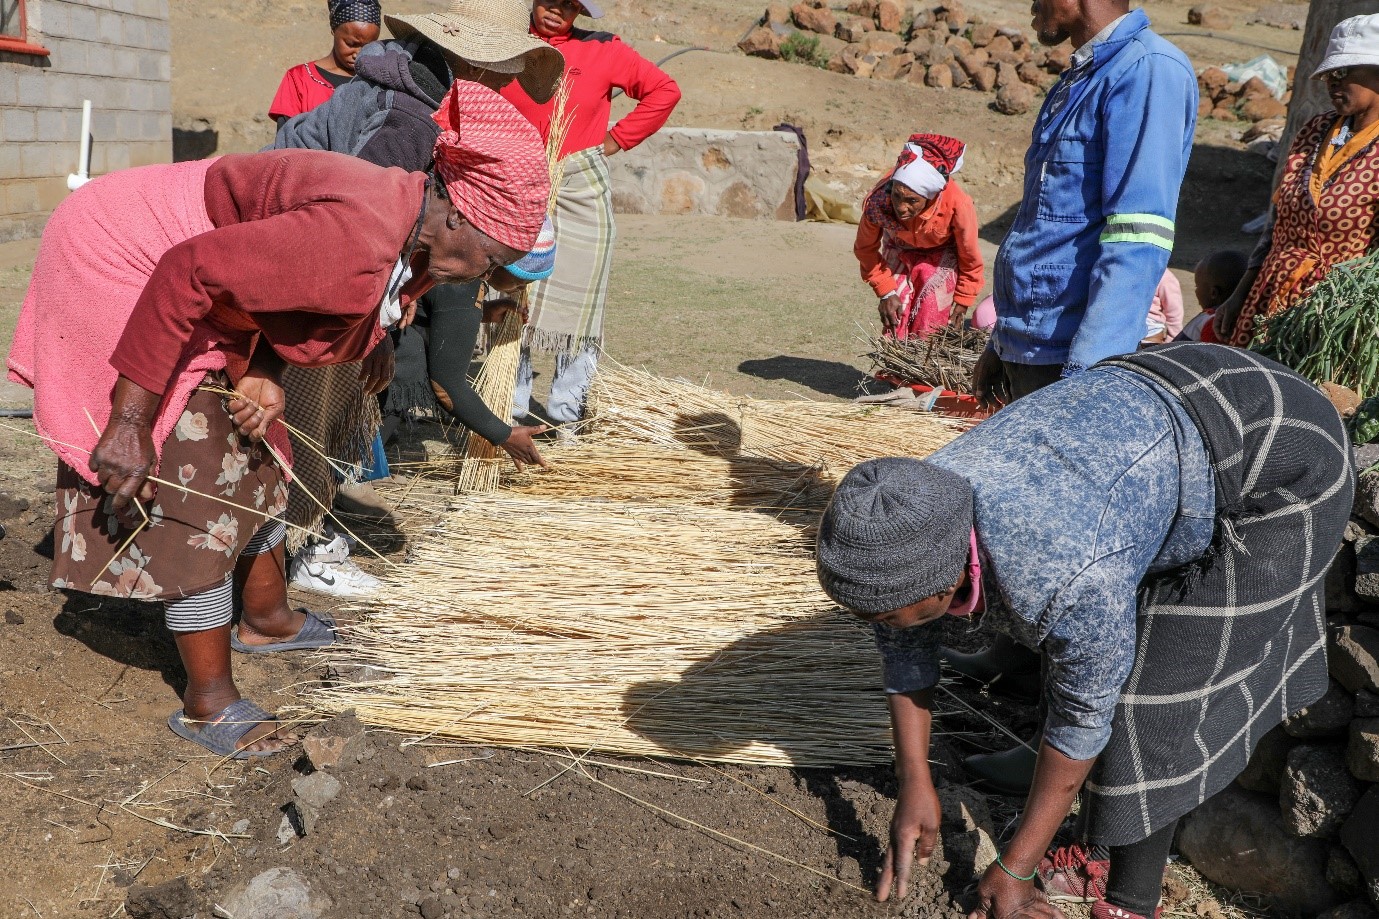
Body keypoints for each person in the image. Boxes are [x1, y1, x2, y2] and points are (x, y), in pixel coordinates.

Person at [5, 83, 551, 759]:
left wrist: (293, 357)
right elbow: (189, 270)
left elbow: (273, 275)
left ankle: (265, 619)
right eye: (489, 259)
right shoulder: (360, 234)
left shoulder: (411, 218)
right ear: (456, 217)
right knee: (195, 476)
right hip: (124, 252)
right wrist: (129, 420)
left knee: (261, 446)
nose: (482, 277)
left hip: (193, 266)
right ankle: (207, 703)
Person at [815, 343, 1352, 919]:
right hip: (1156, 417)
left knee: (1158, 697)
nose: (884, 631)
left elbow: (1081, 719)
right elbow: (903, 646)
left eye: (893, 617)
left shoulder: (1065, 572)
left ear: (945, 582)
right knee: (1103, 651)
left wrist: (1017, 867)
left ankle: (1131, 899)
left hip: (1278, 458)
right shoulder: (918, 510)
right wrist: (913, 780)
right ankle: (1099, 835)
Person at [270, 0, 563, 595]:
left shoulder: (423, 91)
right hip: (302, 265)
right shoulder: (410, 116)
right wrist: (370, 326)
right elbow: (355, 229)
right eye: (501, 67)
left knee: (321, 415)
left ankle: (286, 553)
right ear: (471, 58)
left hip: (323, 268)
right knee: (300, 419)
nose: (505, 81)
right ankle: (285, 559)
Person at [971, 0, 1197, 405]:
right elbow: (1046, 224)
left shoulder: (1148, 72)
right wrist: (1002, 341)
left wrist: (1086, 382)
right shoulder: (1081, 78)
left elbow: (1139, 238)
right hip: (1033, 347)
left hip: (1069, 363)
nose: (1033, 4)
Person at [502, 0, 682, 427]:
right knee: (509, 296)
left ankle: (569, 411)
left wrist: (615, 140)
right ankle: (510, 408)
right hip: (514, 186)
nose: (556, 10)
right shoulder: (504, 43)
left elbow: (664, 90)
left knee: (582, 310)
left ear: (580, 12)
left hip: (582, 190)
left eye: (569, 5)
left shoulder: (604, 50)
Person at [1216, 14, 1379, 346]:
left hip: (1337, 319)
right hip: (1268, 303)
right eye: (1329, 74)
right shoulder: (1315, 130)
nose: (1332, 81)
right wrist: (1239, 294)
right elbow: (1276, 225)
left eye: (1344, 72)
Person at [854, 134, 984, 339]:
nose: (900, 207)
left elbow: (970, 256)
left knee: (930, 317)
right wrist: (886, 291)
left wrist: (963, 300)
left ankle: (922, 368)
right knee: (897, 312)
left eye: (912, 200)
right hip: (898, 247)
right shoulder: (878, 203)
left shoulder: (957, 205)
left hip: (941, 252)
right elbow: (864, 249)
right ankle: (892, 371)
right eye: (896, 196)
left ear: (930, 197)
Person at [268, 0, 382, 126]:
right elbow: (285, 138)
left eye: (368, 46)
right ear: (334, 30)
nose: (358, 54)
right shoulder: (299, 79)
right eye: (351, 44)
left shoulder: (376, 82)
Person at [1176, 251, 1246, 342]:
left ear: (1213, 293)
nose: (1195, 291)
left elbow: (1209, 354)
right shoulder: (1242, 316)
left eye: (1197, 286)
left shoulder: (1215, 324)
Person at [1141, 270, 1182, 345]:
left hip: (1150, 333)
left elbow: (1174, 312)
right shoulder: (1119, 267)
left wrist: (1173, 339)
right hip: (1121, 330)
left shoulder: (1164, 276)